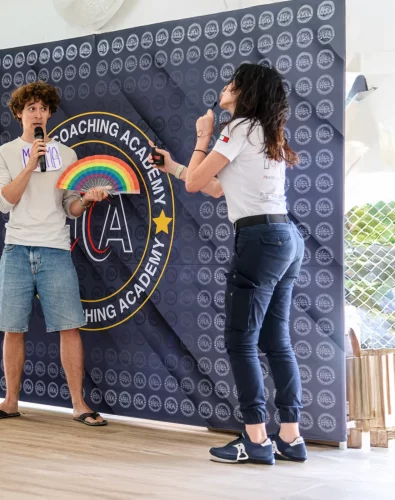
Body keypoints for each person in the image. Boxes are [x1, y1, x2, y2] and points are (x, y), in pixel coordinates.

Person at [151, 63, 307, 464]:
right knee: (276, 340)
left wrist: (202, 136)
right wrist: (173, 167)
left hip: (259, 240)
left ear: (245, 91)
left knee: (241, 342)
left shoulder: (237, 128)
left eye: (231, 83)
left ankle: (256, 439)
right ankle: (291, 438)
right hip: (286, 239)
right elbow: (217, 187)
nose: (224, 87)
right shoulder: (266, 132)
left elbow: (195, 184)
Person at [0, 81, 110, 426]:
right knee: (12, 328)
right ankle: (10, 401)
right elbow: (4, 202)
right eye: (31, 108)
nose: (37, 114)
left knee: (69, 326)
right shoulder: (4, 153)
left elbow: (70, 207)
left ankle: (79, 404)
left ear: (50, 114)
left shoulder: (66, 155)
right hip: (17, 249)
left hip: (55, 248)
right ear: (19, 113)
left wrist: (86, 199)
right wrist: (30, 164)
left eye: (43, 108)